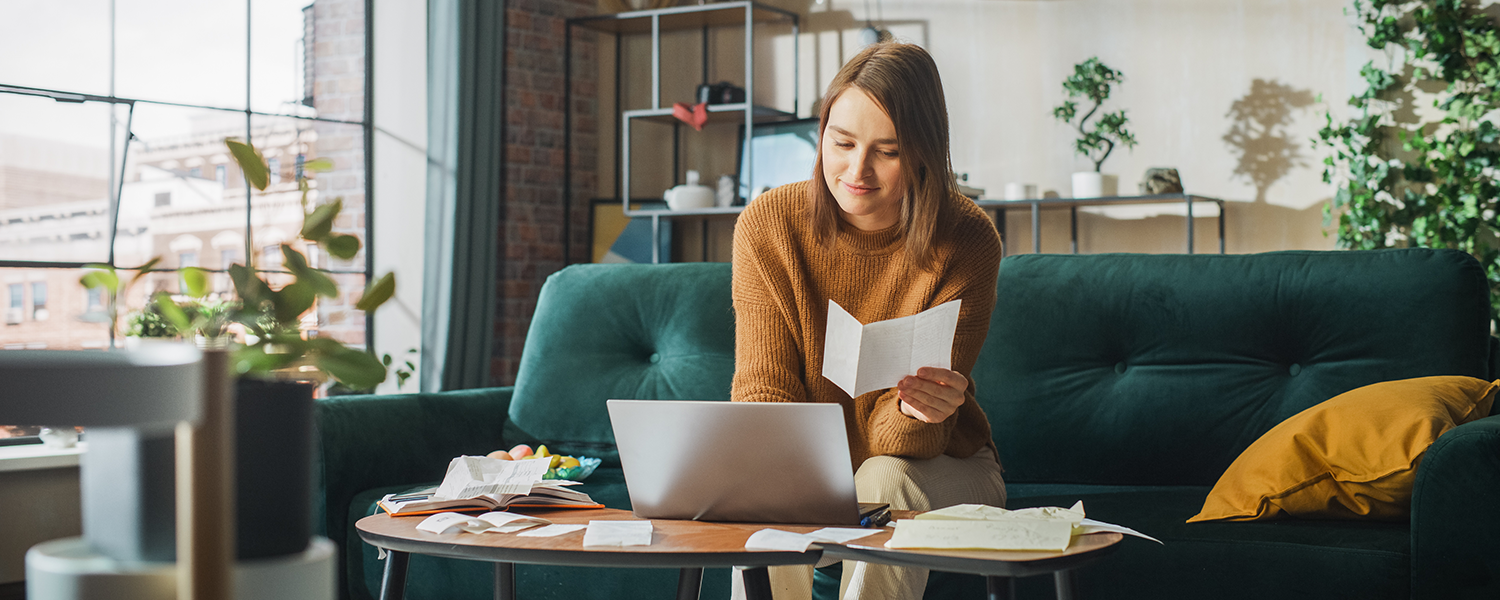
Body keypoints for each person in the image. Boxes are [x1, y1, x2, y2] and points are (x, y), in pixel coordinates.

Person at [730, 42, 1006, 600]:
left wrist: (913, 409)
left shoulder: (967, 239)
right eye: (842, 142)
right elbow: (763, 395)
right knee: (766, 479)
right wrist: (799, 485)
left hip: (938, 465)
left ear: (925, 152)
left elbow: (903, 444)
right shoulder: (769, 225)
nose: (857, 171)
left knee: (882, 478)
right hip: (809, 469)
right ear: (821, 133)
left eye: (889, 151)